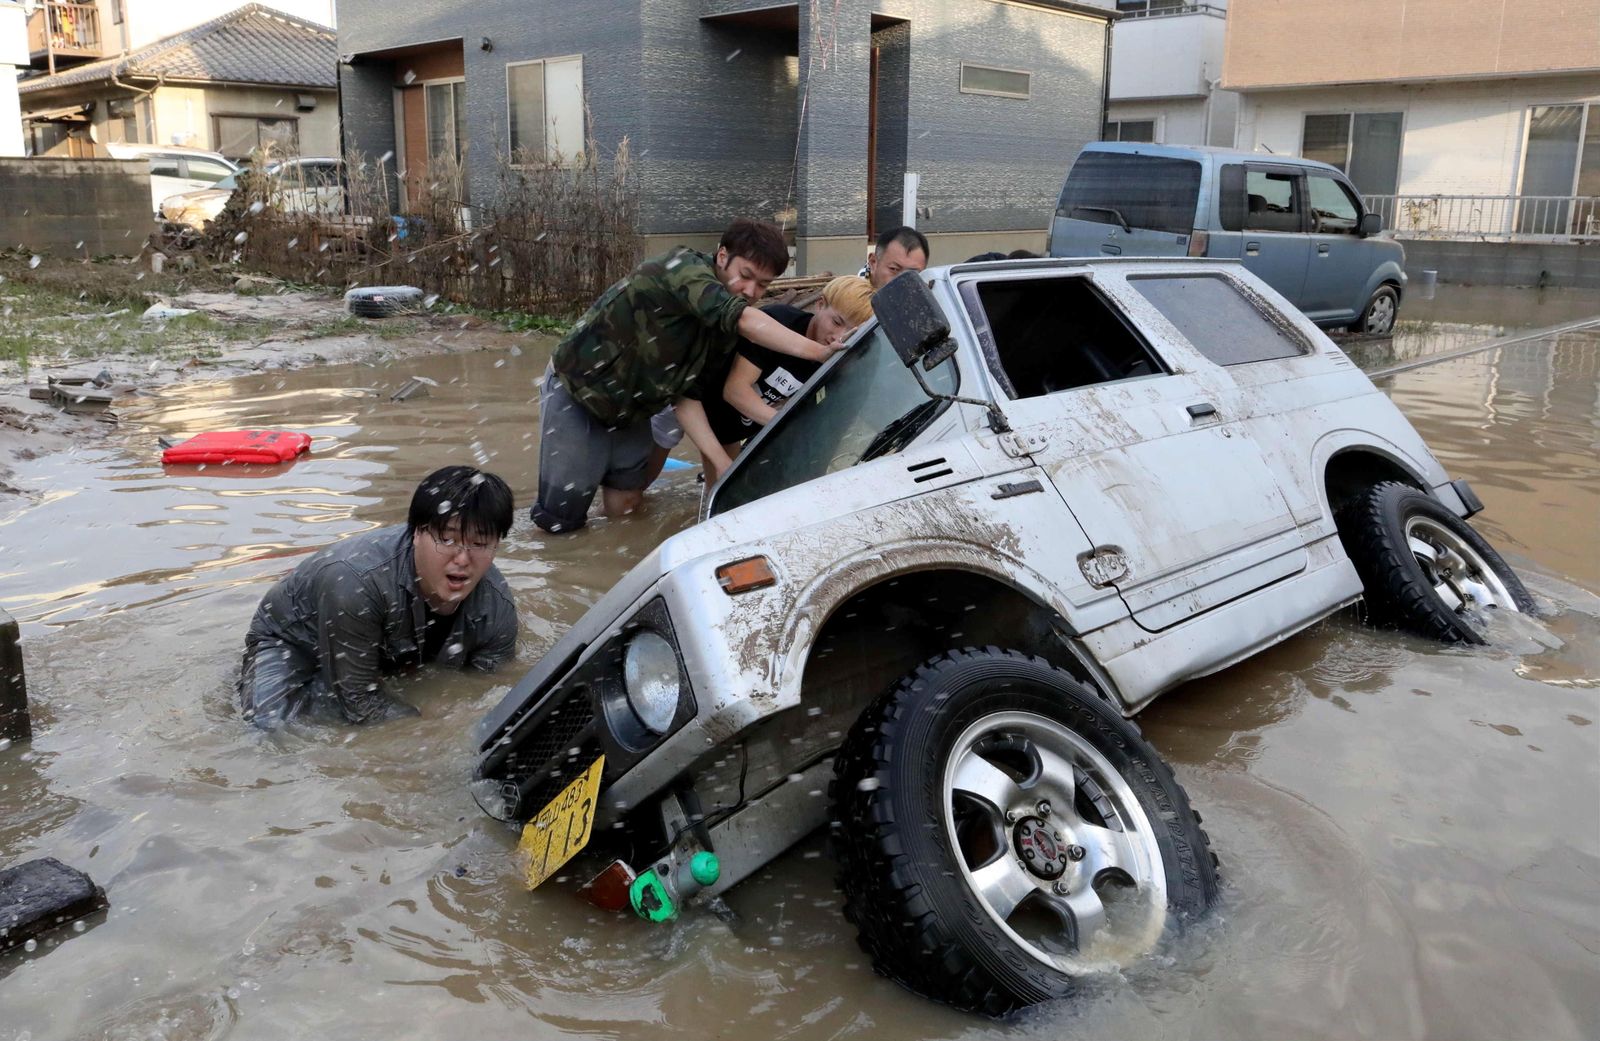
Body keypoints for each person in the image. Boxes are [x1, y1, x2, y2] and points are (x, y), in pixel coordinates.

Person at [532, 218, 847, 533]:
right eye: (746, 276)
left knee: (626, 505)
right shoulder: (682, 268)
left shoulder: (722, 333)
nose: (751, 291)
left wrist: (723, 465)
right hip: (578, 391)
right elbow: (740, 318)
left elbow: (688, 398)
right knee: (560, 522)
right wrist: (819, 352)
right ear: (722, 256)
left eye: (763, 285)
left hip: (636, 407)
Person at [239, 466, 518, 727]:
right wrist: (431, 730)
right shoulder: (354, 582)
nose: (462, 558)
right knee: (269, 725)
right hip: (295, 641)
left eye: (480, 543)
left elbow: (490, 687)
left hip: (391, 645)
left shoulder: (497, 606)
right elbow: (360, 702)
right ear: (416, 533)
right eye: (447, 539)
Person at [673, 275, 875, 482]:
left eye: (850, 331)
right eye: (836, 322)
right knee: (647, 476)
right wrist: (789, 425)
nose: (838, 337)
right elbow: (735, 391)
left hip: (740, 424)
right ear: (820, 304)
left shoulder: (842, 358)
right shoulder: (777, 323)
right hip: (693, 401)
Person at [861, 225, 931, 290]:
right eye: (894, 269)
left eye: (912, 274)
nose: (902, 283)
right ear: (873, 262)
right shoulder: (853, 298)